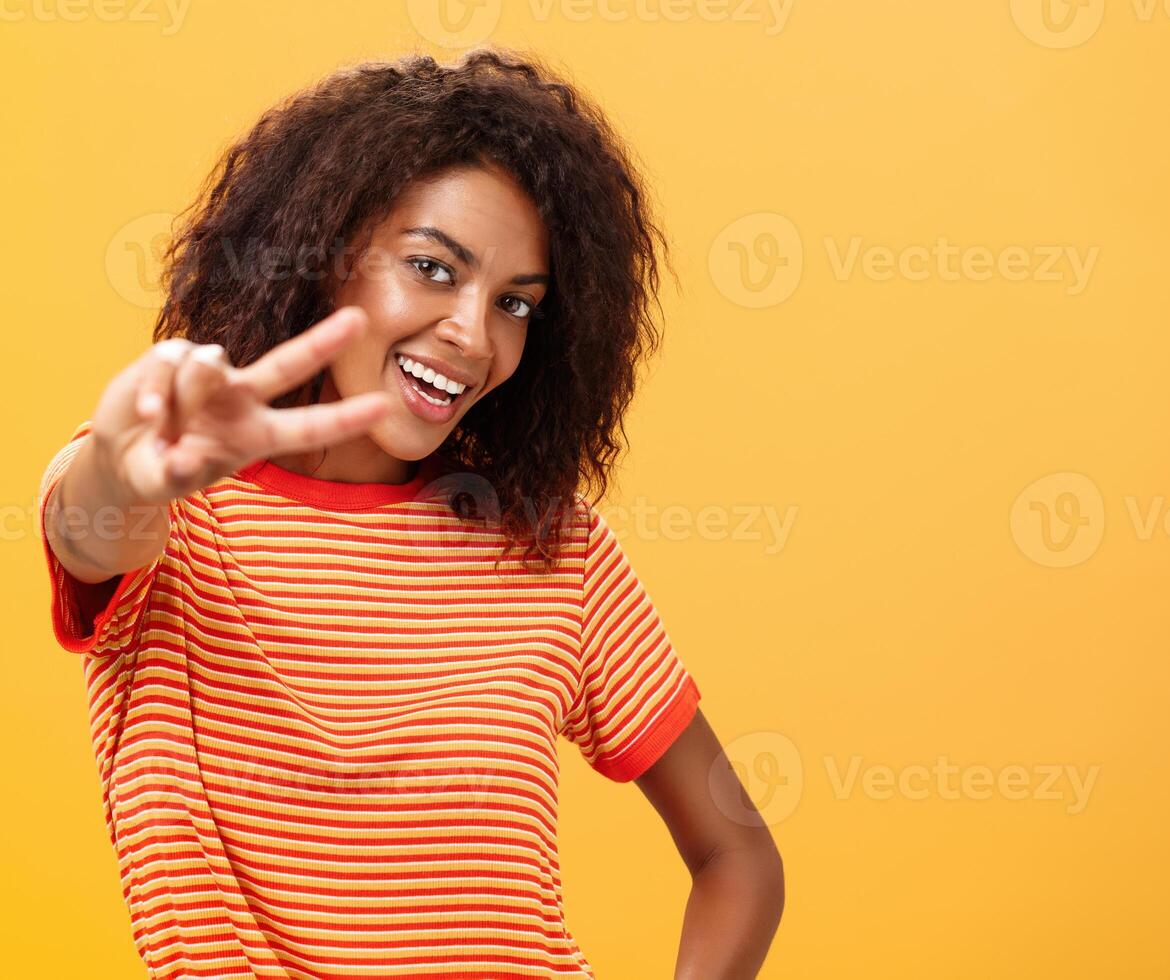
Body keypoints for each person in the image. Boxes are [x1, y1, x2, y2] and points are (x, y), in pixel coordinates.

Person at [35, 49, 784, 978]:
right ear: (323, 251)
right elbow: (91, 525)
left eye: (515, 302)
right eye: (433, 268)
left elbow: (739, 857)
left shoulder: (552, 544)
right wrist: (125, 468)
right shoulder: (174, 507)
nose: (475, 335)